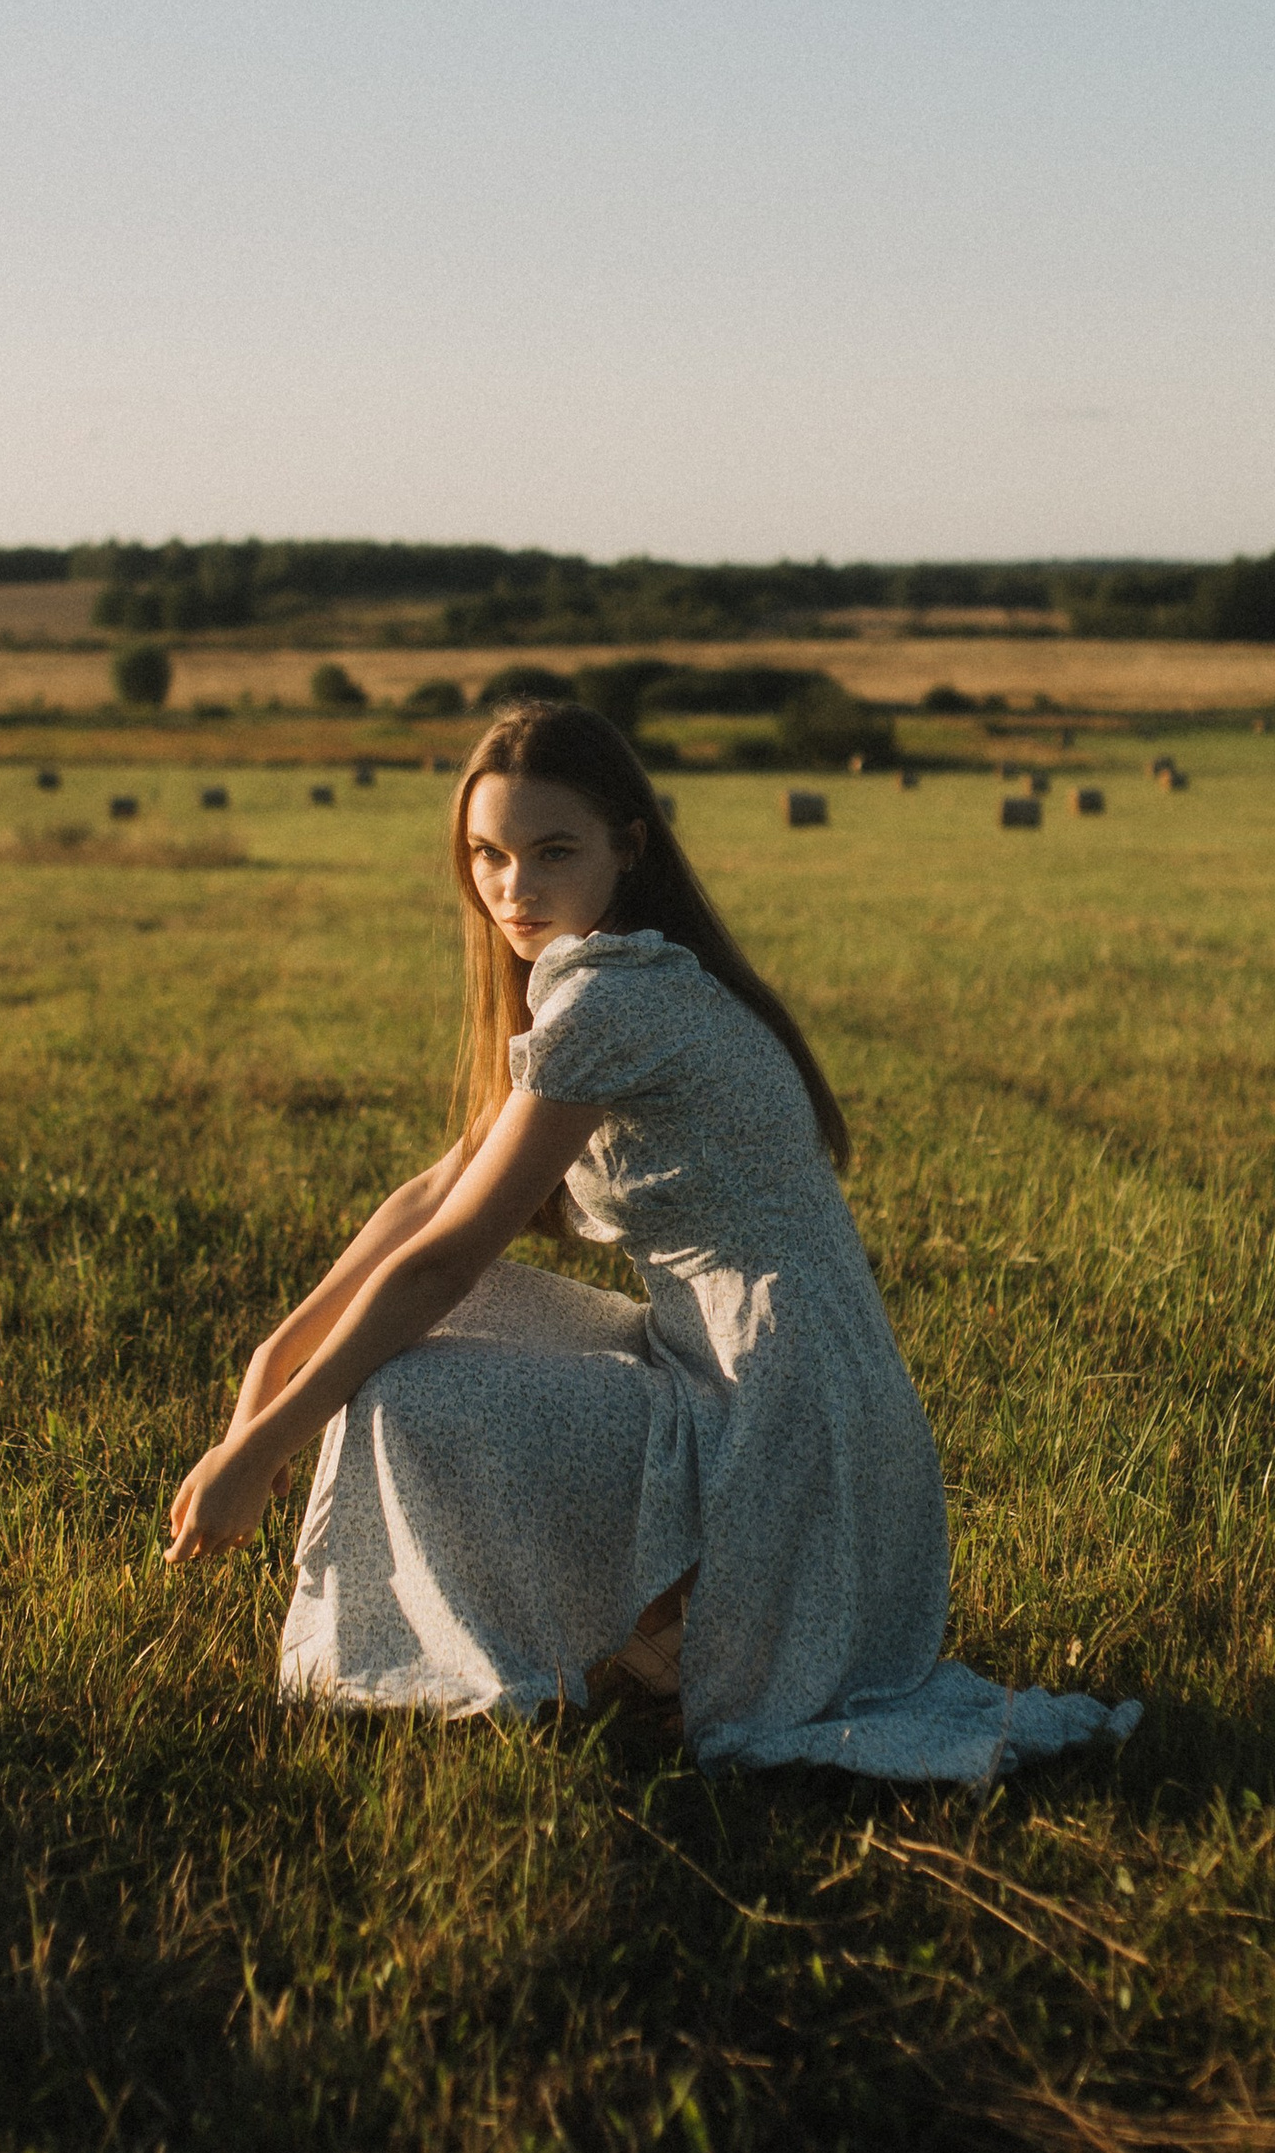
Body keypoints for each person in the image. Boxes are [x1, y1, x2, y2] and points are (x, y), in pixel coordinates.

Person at [166, 702, 1139, 1785]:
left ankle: (612, 1647)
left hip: (782, 1411)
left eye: (552, 852)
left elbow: (446, 1255)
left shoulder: (613, 1003)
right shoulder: (625, 974)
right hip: (762, 1366)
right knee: (413, 1325)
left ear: (628, 847)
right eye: (487, 855)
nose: (513, 888)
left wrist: (256, 1454)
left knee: (400, 1378)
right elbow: (433, 1191)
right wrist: (275, 1353)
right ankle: (649, 1633)